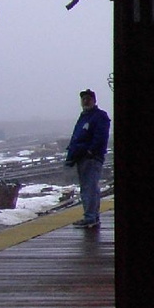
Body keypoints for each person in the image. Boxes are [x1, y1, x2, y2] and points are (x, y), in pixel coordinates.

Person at [64, 89, 111, 228]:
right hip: (81, 157)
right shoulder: (84, 116)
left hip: (91, 158)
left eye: (88, 98)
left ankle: (90, 217)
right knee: (87, 188)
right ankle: (91, 216)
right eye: (83, 99)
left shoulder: (99, 116)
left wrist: (91, 151)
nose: (85, 101)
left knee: (89, 187)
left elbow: (100, 136)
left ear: (94, 100)